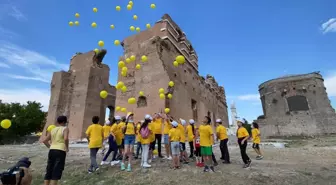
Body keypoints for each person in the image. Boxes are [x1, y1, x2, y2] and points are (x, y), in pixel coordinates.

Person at [42, 116, 69, 185]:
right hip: (60, 150)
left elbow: (45, 141)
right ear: (64, 121)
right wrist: (67, 147)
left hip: (52, 150)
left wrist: (51, 147)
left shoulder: (53, 129)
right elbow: (65, 138)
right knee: (57, 170)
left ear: (58, 121)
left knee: (49, 169)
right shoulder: (65, 129)